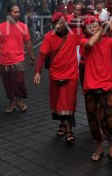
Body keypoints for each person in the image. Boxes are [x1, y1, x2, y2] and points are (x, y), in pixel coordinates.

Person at [80, 15, 112, 165]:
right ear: (85, 30)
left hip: (108, 86)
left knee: (110, 120)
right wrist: (100, 29)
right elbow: (91, 44)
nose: (92, 28)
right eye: (89, 27)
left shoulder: (109, 41)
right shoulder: (84, 41)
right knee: (94, 121)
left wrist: (111, 29)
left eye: (95, 25)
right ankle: (99, 147)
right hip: (91, 87)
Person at [34, 12, 79, 143]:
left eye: (61, 23)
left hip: (71, 75)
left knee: (69, 103)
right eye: (56, 24)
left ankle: (69, 130)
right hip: (55, 74)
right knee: (57, 102)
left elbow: (89, 34)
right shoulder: (49, 37)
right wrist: (37, 72)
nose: (58, 26)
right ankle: (63, 125)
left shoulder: (74, 34)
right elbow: (42, 55)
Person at [0, 3, 35, 113]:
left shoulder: (23, 26)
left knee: (19, 80)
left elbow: (28, 42)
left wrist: (32, 56)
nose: (17, 14)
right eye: (15, 12)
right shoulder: (1, 27)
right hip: (4, 60)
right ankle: (11, 102)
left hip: (19, 59)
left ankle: (19, 100)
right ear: (8, 13)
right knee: (8, 83)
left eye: (18, 12)